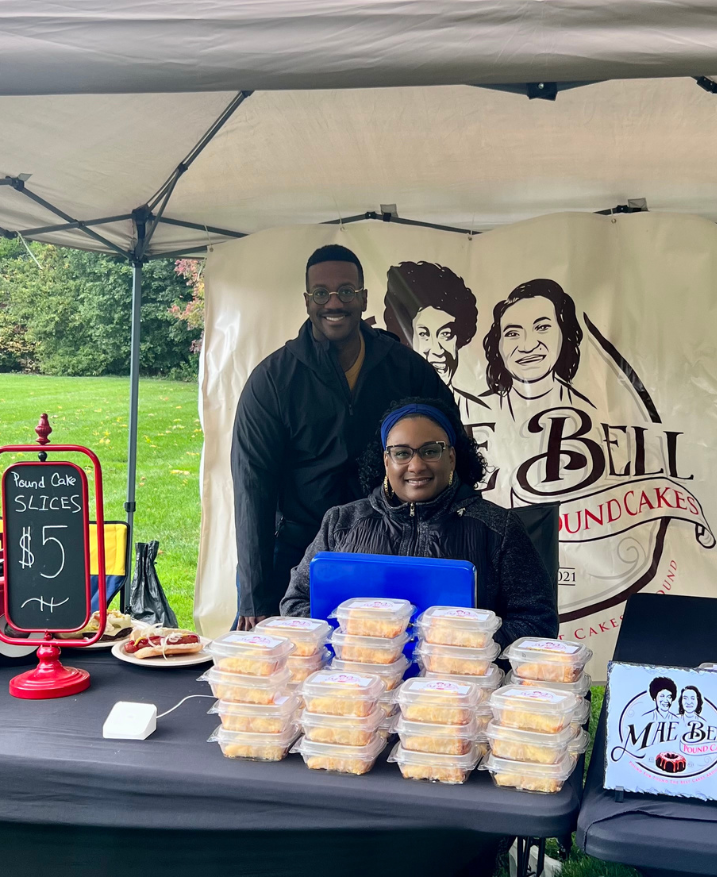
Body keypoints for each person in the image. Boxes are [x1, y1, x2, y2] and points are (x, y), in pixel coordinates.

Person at [232, 245, 458, 629]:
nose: (334, 302)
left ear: (363, 297)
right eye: (321, 293)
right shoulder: (272, 381)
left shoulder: (405, 368)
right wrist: (255, 596)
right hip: (300, 554)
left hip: (391, 551)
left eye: (346, 291)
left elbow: (453, 453)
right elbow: (252, 488)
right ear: (307, 301)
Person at [280, 397, 557, 648]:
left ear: (451, 456)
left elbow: (537, 622)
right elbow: (295, 603)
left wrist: (468, 643)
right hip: (358, 686)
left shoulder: (499, 528)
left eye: (430, 451)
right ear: (386, 461)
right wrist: (357, 637)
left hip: (462, 690)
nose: (416, 466)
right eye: (402, 453)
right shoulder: (341, 523)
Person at [382, 261, 489, 420]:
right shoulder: (388, 413)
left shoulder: (483, 413)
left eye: (446, 334)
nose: (437, 350)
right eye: (424, 334)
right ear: (407, 338)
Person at [482, 278, 593, 422]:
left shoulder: (587, 411)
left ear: (564, 333)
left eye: (542, 328)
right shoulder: (477, 410)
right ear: (498, 344)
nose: (527, 346)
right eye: (513, 334)